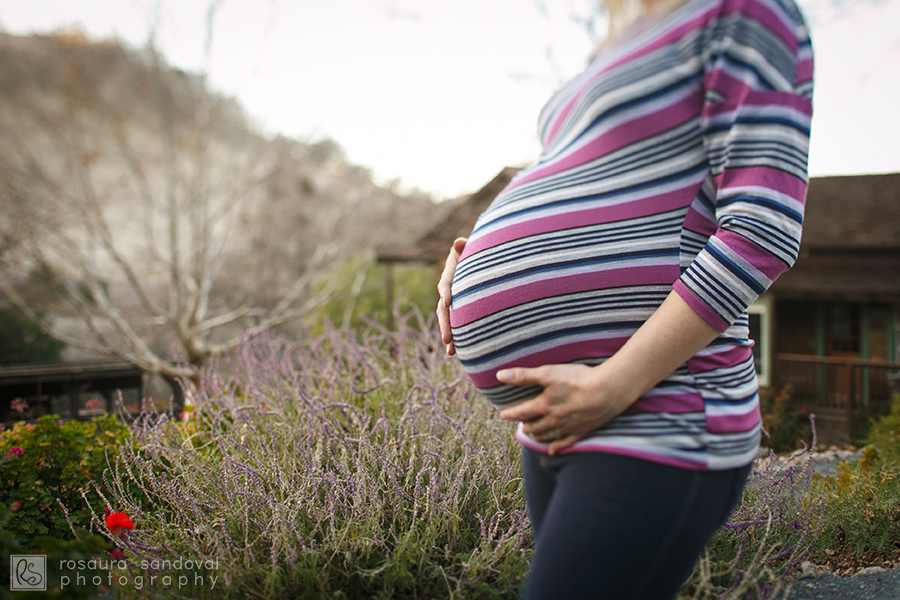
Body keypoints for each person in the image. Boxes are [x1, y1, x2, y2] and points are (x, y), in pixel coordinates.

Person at [435, 0, 814, 597]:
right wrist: (471, 262)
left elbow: (761, 227)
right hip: (555, 424)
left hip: (662, 412)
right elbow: (585, 172)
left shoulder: (744, 9)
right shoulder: (616, 35)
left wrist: (615, 383)